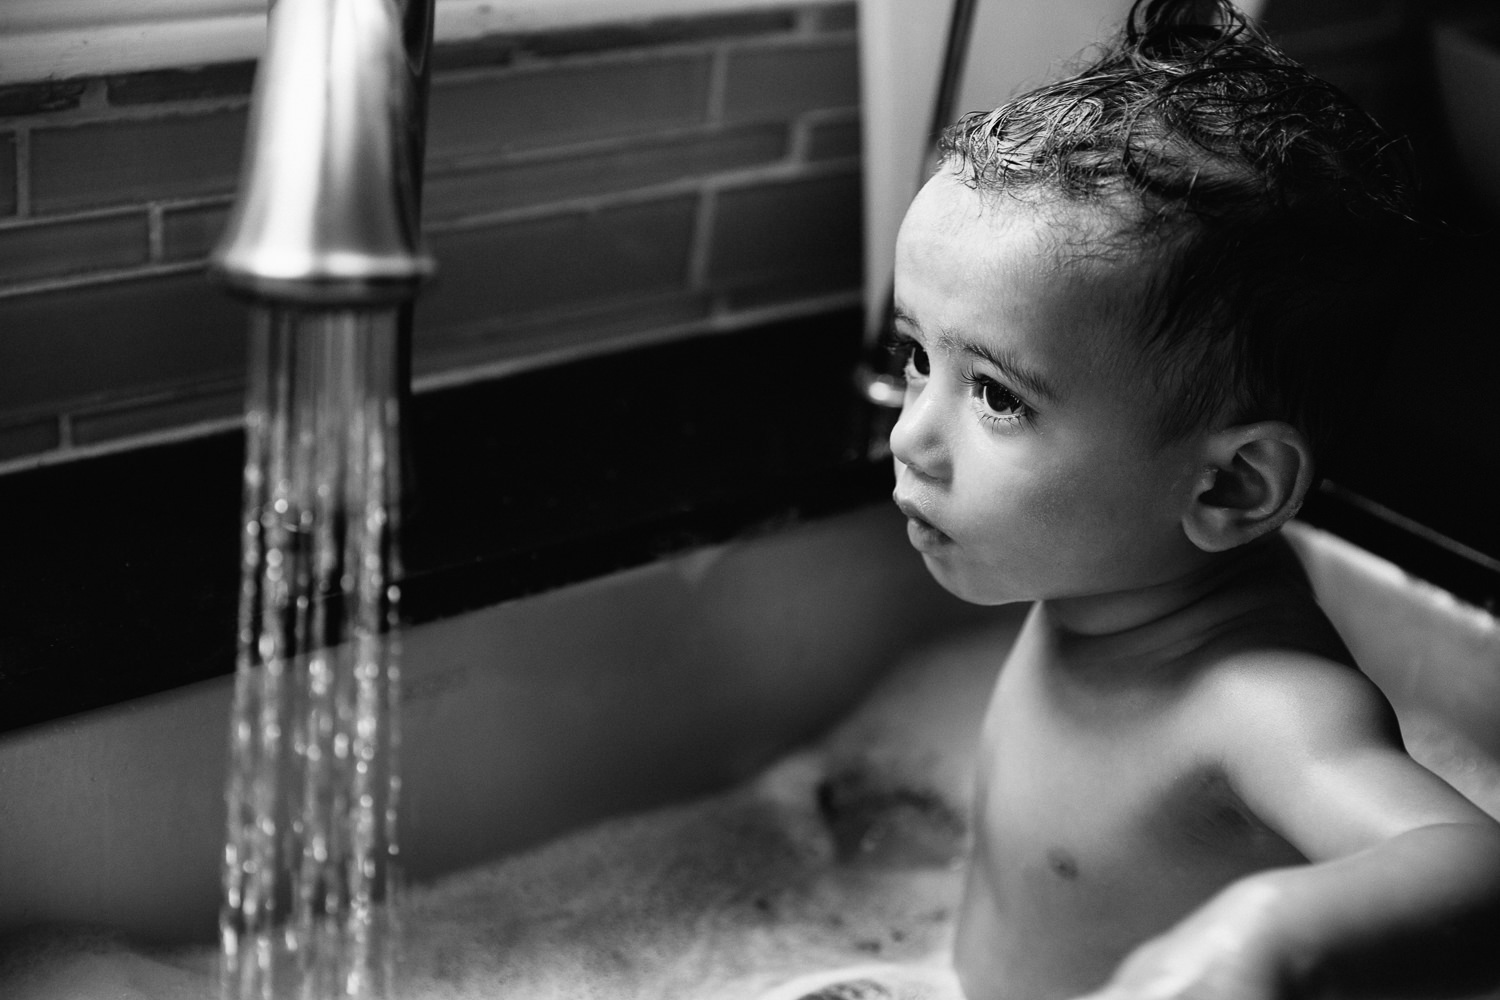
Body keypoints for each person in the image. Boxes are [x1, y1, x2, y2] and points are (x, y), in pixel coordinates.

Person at [884, 2, 1500, 999]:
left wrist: (1270, 933)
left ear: (1230, 485)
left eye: (997, 395)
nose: (911, 433)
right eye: (918, 357)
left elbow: (1475, 867)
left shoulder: (1254, 701)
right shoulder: (1109, 574)